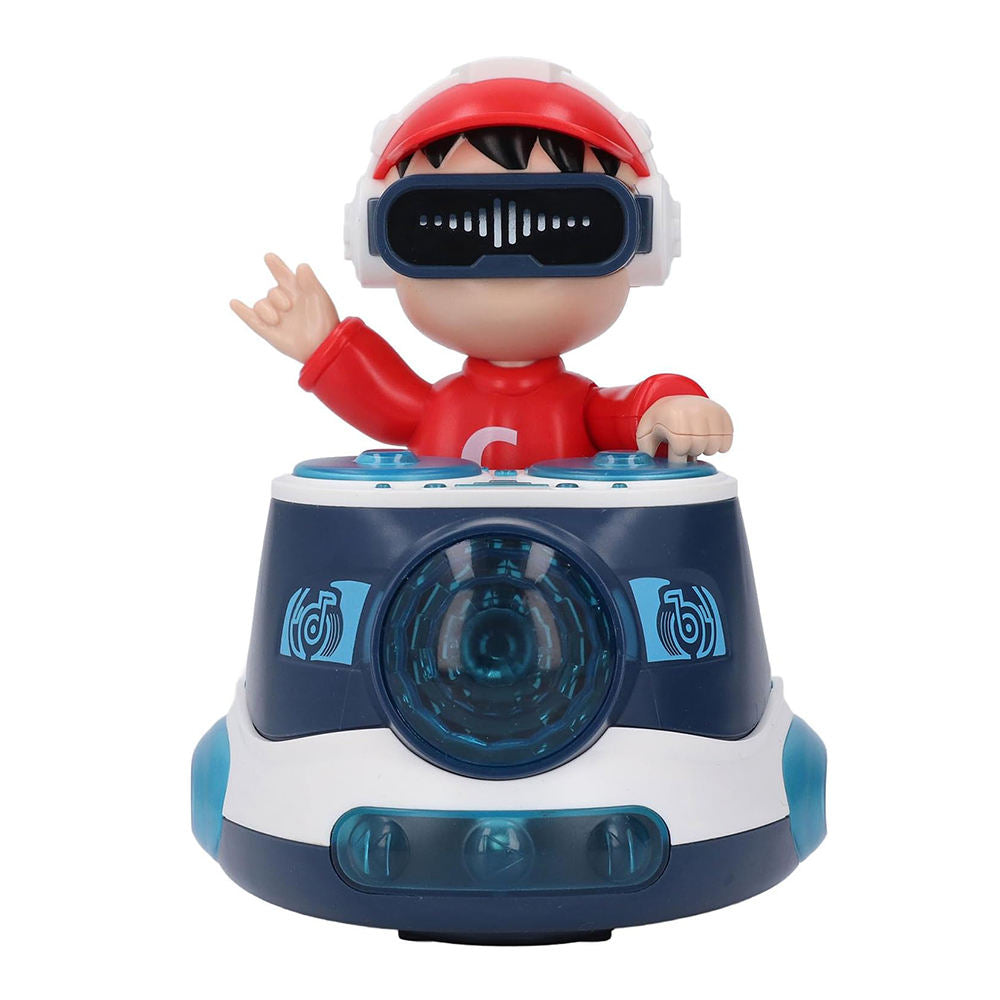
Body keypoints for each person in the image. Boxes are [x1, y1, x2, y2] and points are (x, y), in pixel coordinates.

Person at [232, 59, 732, 469]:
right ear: (375, 244)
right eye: (447, 227)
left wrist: (673, 403)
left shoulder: (578, 407)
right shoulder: (444, 405)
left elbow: (632, 410)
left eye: (568, 226)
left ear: (646, 243)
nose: (505, 258)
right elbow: (387, 404)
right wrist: (326, 344)